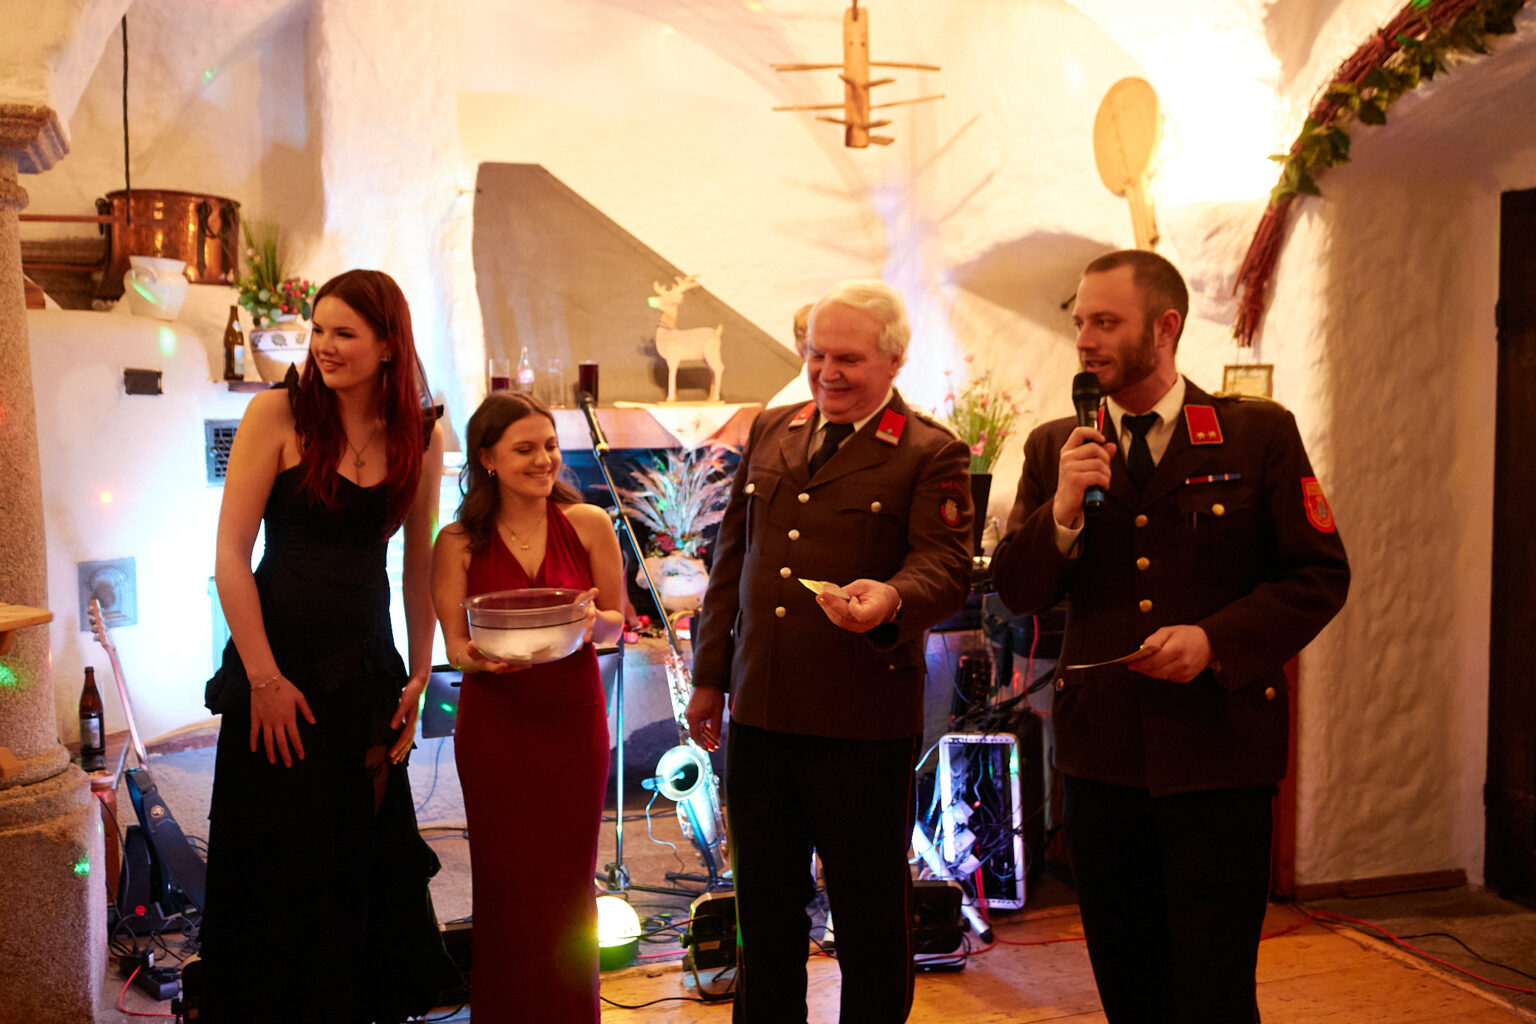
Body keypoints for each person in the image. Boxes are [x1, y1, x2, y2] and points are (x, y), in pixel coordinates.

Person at [990, 250, 1350, 1023]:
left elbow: (1317, 576)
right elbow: (1016, 594)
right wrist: (1061, 511)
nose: (1086, 340)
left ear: (1165, 328)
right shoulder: (1056, 446)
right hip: (1102, 758)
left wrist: (1214, 641)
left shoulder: (1255, 434)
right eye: (1080, 322)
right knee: (1130, 986)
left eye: (1106, 322)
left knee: (1215, 990)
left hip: (1219, 756)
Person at [686, 279, 974, 1023]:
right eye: (816, 354)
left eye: (847, 358)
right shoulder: (773, 428)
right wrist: (710, 676)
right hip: (762, 714)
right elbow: (732, 560)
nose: (827, 372)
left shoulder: (929, 451)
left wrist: (892, 598)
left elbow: (945, 565)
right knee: (764, 913)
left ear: (895, 360)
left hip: (861, 723)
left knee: (869, 916)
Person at [201, 269, 454, 1022]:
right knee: (279, 859)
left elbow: (418, 563)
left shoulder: (422, 432)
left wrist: (421, 671)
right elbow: (229, 557)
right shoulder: (277, 413)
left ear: (388, 345)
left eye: (345, 333)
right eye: (318, 330)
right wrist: (264, 677)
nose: (323, 346)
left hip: (367, 667)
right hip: (277, 664)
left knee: (357, 859)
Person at [431, 391, 625, 1022]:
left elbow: (617, 621)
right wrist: (478, 658)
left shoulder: (589, 523)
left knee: (569, 888)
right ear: (487, 458)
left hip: (573, 719)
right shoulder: (457, 541)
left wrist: (592, 622)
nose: (544, 460)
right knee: (505, 884)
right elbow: (456, 646)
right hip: (497, 725)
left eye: (550, 446)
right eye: (525, 449)